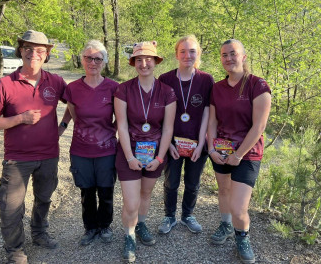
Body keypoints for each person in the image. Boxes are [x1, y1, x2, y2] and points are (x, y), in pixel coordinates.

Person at [0, 30, 70, 264]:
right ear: (21, 50)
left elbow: (73, 102)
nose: (34, 54)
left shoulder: (56, 82)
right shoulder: (4, 84)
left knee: (44, 198)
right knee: (11, 207)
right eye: (28, 49)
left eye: (40, 50)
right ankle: (15, 251)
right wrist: (19, 119)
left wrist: (62, 125)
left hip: (49, 155)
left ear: (47, 54)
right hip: (17, 159)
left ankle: (39, 233)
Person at [207, 39, 271, 264]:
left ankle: (242, 237)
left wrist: (239, 155)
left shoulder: (258, 85)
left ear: (243, 56)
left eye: (233, 53)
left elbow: (259, 126)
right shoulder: (217, 87)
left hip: (248, 153)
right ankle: (225, 225)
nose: (228, 58)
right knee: (223, 191)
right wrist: (211, 147)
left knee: (238, 206)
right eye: (224, 55)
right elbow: (212, 121)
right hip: (221, 150)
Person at [114, 41, 177, 263]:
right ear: (133, 63)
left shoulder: (167, 91)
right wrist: (130, 156)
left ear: (156, 61)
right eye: (139, 60)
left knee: (146, 194)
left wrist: (160, 157)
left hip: (155, 152)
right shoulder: (123, 89)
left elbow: (168, 127)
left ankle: (140, 224)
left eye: (148, 59)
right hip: (128, 151)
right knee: (131, 202)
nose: (144, 64)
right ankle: (129, 236)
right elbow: (121, 126)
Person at [62, 40, 119, 246]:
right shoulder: (73, 88)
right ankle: (90, 228)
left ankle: (105, 226)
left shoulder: (114, 87)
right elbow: (73, 113)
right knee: (86, 192)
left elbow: (120, 117)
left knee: (106, 190)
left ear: (103, 62)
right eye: (88, 58)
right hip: (81, 148)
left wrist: (109, 131)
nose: (92, 62)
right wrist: (62, 127)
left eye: (97, 58)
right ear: (82, 60)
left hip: (107, 149)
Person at [157, 35, 214, 234]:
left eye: (192, 51)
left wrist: (201, 143)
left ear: (198, 54)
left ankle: (188, 215)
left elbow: (207, 111)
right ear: (176, 54)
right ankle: (169, 216)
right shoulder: (165, 79)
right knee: (171, 181)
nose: (187, 55)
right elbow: (161, 113)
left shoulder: (206, 79)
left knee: (193, 182)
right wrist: (168, 144)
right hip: (171, 142)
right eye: (183, 51)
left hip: (197, 142)